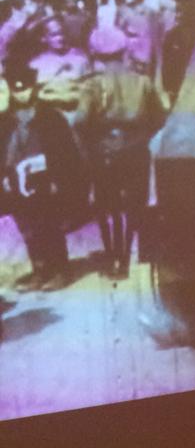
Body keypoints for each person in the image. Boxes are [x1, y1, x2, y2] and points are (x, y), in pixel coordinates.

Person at [81, 25, 169, 279]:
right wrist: (140, 137)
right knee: (133, 206)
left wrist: (95, 142)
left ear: (96, 54)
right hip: (136, 150)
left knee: (106, 206)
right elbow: (160, 117)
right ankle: (126, 262)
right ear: (124, 52)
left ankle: (112, 257)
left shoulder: (92, 85)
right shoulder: (142, 82)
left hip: (104, 152)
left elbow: (80, 121)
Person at [0, 56, 85, 292]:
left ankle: (60, 270)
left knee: (49, 226)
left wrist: (59, 177)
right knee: (28, 228)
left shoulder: (50, 117)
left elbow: (66, 152)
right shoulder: (5, 120)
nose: (21, 94)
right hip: (16, 181)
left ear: (34, 87)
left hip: (45, 180)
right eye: (16, 90)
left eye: (25, 88)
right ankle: (40, 270)